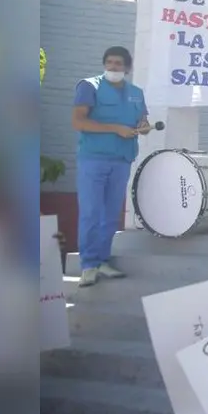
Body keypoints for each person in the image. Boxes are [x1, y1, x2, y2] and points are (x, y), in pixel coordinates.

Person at [71, 46, 151, 287]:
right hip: (93, 159)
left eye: (118, 63)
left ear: (127, 68)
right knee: (91, 212)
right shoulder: (89, 86)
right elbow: (78, 121)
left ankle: (102, 261)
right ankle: (88, 265)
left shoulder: (136, 92)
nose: (113, 67)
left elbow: (142, 120)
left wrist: (144, 126)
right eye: (109, 62)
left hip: (121, 161)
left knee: (110, 215)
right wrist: (115, 128)